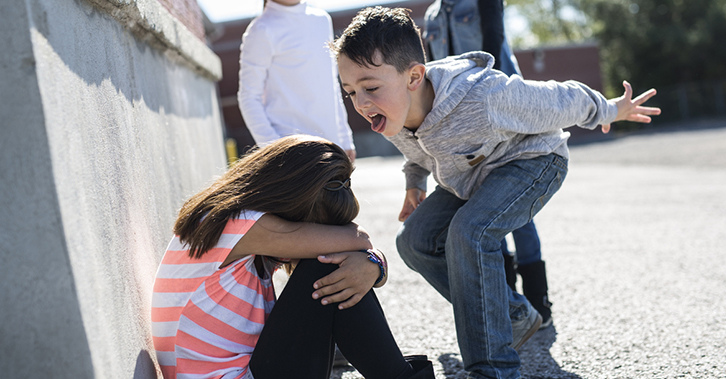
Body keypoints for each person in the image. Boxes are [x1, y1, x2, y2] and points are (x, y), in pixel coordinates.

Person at [331, 7, 660, 378]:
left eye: (370, 87)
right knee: (414, 241)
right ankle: (513, 315)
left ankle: (495, 369)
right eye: (350, 91)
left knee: (469, 233)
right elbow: (419, 152)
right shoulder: (396, 114)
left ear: (414, 76)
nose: (360, 102)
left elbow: (559, 98)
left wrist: (610, 109)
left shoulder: (482, 96)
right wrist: (414, 183)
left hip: (533, 163)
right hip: (471, 177)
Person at [151, 135, 434, 379]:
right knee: (324, 266)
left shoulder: (232, 222)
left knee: (334, 265)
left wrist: (373, 264)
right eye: (313, 226)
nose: (311, 234)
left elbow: (358, 247)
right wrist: (372, 260)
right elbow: (358, 241)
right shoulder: (239, 224)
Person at [423, 0, 554, 328]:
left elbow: (494, 44)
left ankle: (539, 300)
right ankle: (512, 304)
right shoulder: (431, 16)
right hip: (459, 123)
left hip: (499, 110)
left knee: (517, 211)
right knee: (485, 208)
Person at [237, 0, 356, 161]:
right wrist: (276, 150)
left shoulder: (321, 20)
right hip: (293, 157)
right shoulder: (261, 29)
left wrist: (345, 138)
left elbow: (331, 86)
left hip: (332, 147)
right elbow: (249, 97)